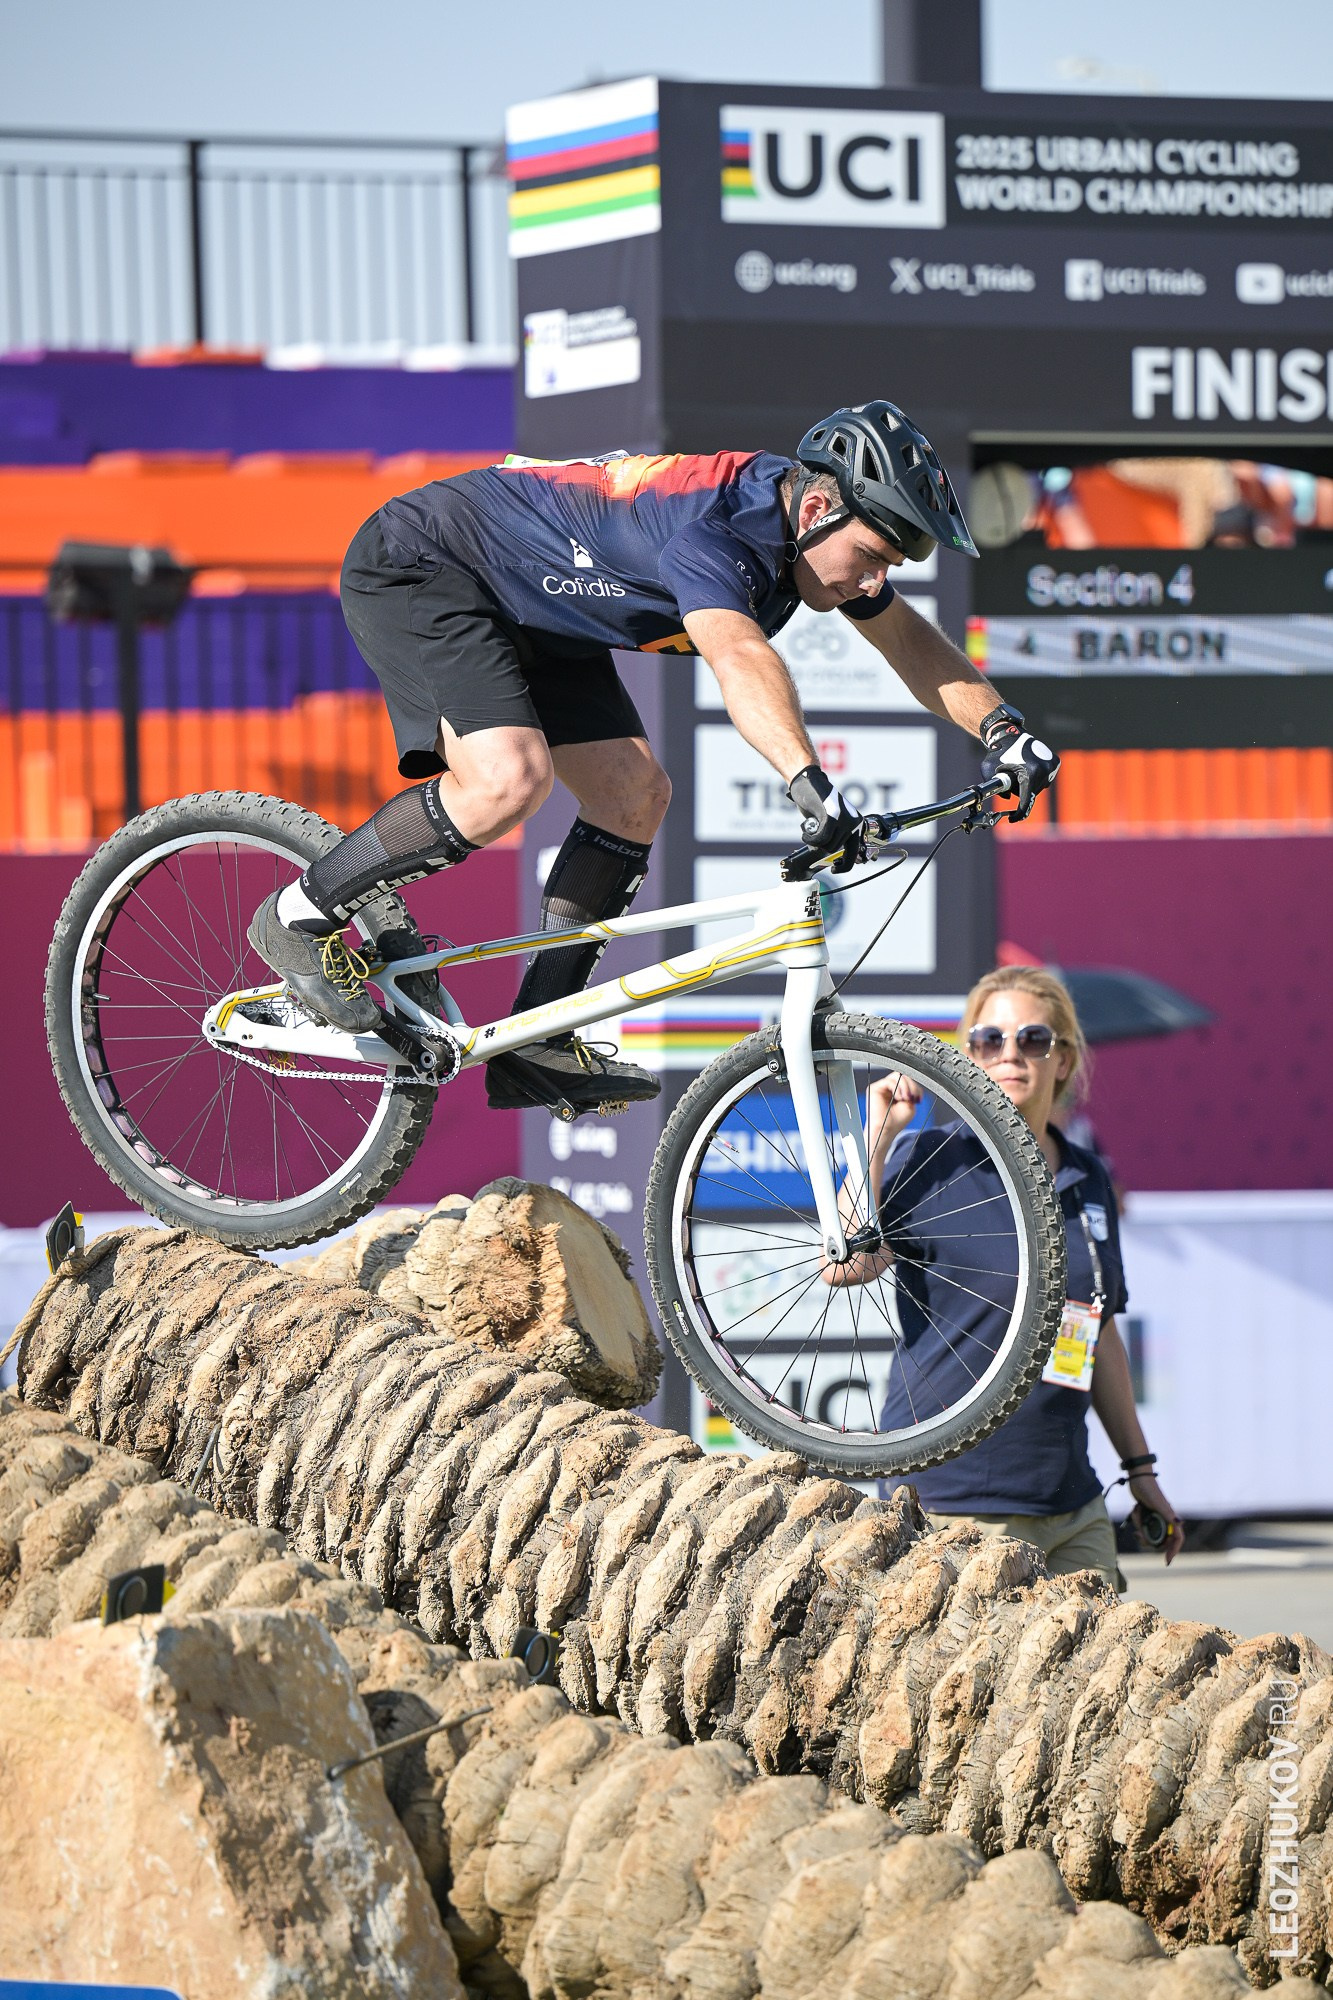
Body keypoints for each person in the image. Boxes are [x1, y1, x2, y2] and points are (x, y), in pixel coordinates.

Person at [245, 403, 1059, 1114]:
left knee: (633, 795)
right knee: (506, 781)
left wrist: (1003, 732)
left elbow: (910, 642)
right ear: (817, 505)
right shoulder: (720, 533)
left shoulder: (810, 530)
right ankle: (299, 917)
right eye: (874, 558)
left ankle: (538, 1037)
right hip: (429, 562)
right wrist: (806, 781)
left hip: (537, 606)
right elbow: (738, 656)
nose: (876, 580)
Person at [827, 964, 1182, 1592]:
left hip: (1072, 1507)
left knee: (1091, 1688)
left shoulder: (1088, 1176)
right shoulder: (929, 1157)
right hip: (954, 1505)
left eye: (1033, 1040)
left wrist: (1141, 1470)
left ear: (1064, 1060)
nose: (1011, 1054)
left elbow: (1097, 1336)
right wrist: (879, 1132)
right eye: (991, 1040)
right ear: (968, 1055)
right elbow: (845, 1266)